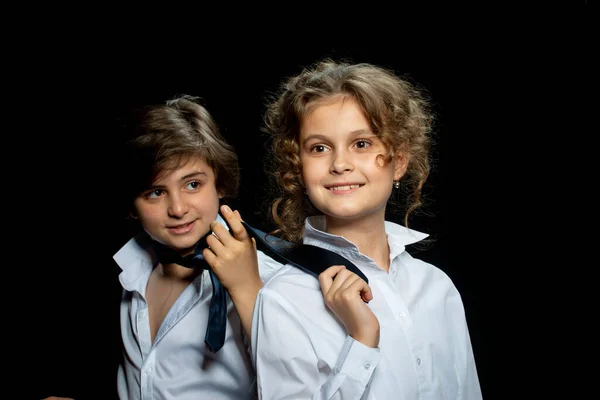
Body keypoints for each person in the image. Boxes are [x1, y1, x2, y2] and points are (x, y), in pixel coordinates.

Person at [251, 59, 482, 399]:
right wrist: (361, 339)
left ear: (399, 162)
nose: (340, 164)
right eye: (319, 148)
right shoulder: (283, 299)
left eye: (361, 143)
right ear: (298, 168)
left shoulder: (437, 288)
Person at [111, 94, 281, 399]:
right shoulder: (132, 271)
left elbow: (293, 385)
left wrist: (249, 291)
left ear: (220, 184)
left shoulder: (271, 280)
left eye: (193, 184)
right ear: (132, 205)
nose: (177, 209)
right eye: (155, 192)